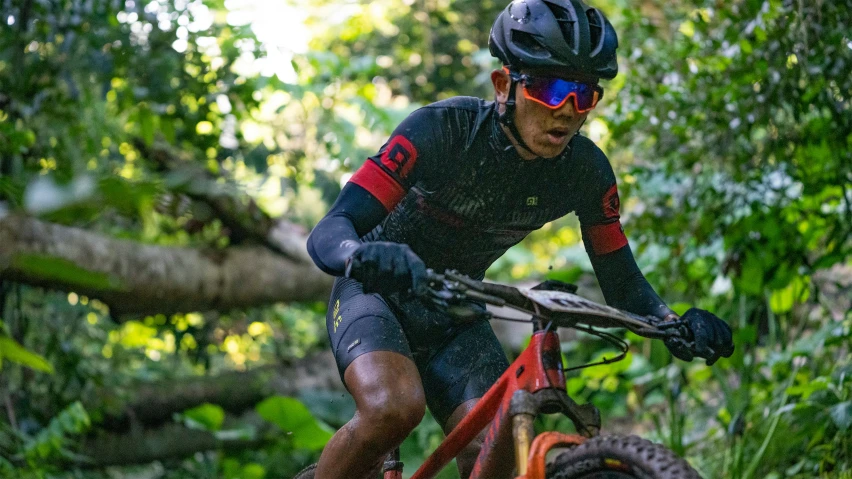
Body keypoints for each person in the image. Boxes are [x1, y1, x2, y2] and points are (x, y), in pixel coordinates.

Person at [305, 0, 734, 477]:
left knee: (499, 444)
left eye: (584, 95)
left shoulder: (586, 172)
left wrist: (676, 325)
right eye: (551, 89)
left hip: (455, 311)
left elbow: (623, 282)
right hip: (375, 291)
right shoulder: (441, 130)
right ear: (504, 85)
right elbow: (331, 228)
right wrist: (360, 254)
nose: (568, 111)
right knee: (393, 409)